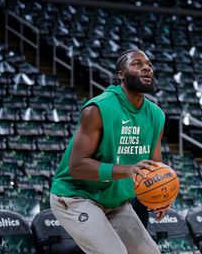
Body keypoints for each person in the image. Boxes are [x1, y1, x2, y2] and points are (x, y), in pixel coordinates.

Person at [50, 49, 166, 254]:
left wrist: (163, 194)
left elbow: (155, 168)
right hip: (76, 197)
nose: (147, 67)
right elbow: (76, 167)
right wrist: (129, 170)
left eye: (148, 64)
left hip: (116, 203)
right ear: (121, 74)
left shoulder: (156, 115)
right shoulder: (98, 108)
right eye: (137, 64)